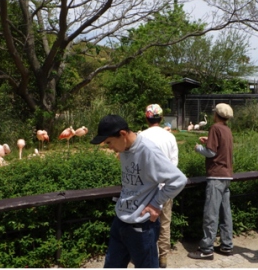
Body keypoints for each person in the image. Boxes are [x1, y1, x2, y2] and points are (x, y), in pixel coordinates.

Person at [90, 114, 187, 268]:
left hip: (141, 226)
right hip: (120, 220)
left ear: (122, 134)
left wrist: (155, 204)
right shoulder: (125, 148)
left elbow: (178, 180)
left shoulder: (148, 151)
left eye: (109, 142)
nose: (109, 147)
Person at [187, 103, 234, 260]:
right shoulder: (226, 129)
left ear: (216, 114)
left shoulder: (215, 128)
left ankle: (206, 249)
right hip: (227, 175)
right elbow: (220, 148)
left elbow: (211, 152)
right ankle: (227, 245)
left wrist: (198, 148)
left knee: (211, 213)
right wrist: (209, 140)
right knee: (225, 212)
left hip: (216, 176)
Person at [139, 104, 179, 268]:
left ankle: (145, 258)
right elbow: (174, 164)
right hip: (165, 188)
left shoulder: (140, 136)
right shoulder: (170, 137)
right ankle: (163, 259)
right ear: (161, 118)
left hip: (145, 190)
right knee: (164, 224)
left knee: (143, 225)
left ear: (146, 118)